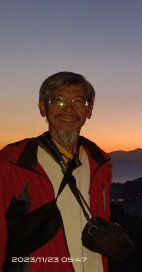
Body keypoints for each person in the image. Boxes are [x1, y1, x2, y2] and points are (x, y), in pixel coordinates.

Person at [0, 72, 112, 272]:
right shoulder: (14, 162)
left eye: (78, 101)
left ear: (89, 110)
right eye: (58, 101)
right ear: (43, 108)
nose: (68, 109)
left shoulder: (99, 163)